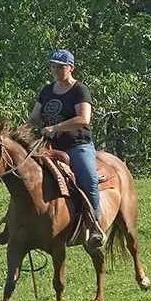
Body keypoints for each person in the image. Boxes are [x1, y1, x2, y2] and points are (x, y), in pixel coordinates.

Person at [29, 50, 107, 250]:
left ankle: (95, 225)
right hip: (49, 146)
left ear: (71, 68)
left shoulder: (80, 90)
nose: (55, 70)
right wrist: (17, 133)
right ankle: (17, 224)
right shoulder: (46, 91)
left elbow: (83, 119)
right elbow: (34, 118)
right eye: (53, 66)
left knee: (89, 180)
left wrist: (56, 127)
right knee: (25, 176)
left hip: (77, 145)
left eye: (60, 67)